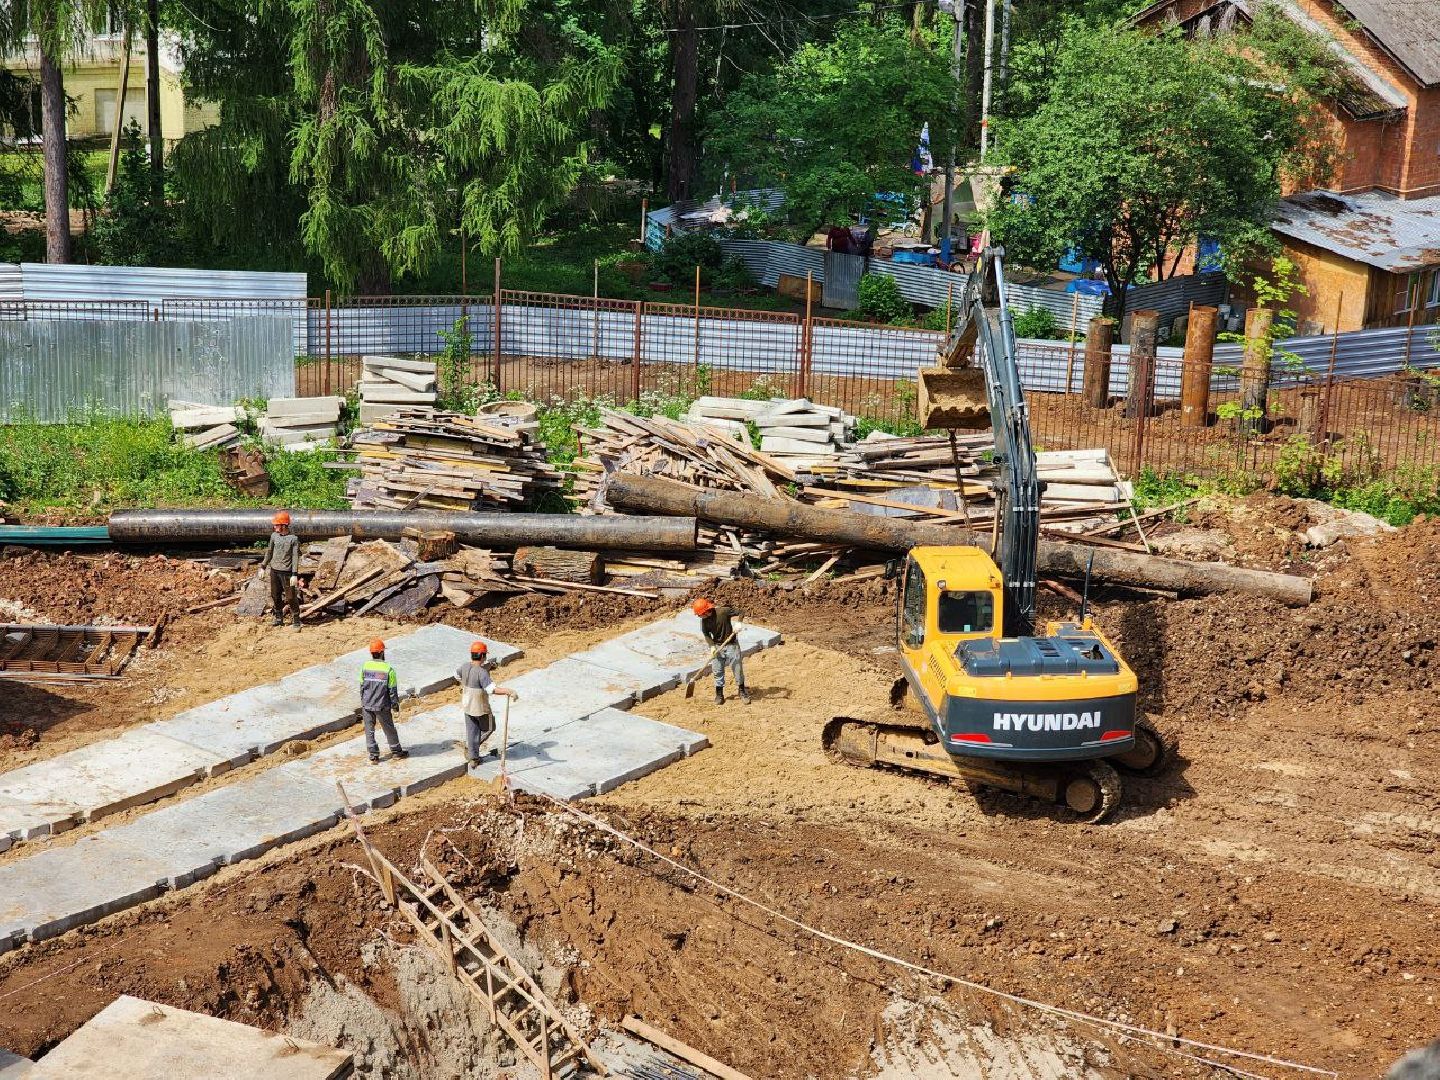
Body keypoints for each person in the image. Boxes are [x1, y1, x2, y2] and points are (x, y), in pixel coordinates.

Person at [456, 640, 518, 768]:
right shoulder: (482, 672)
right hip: (480, 707)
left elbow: (456, 675)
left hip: (467, 705)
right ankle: (472, 747)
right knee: (489, 728)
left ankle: (473, 758)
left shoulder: (465, 666)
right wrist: (509, 691)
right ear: (483, 655)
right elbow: (492, 690)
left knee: (472, 730)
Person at [359, 639, 408, 764]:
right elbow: (392, 690)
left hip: (367, 705)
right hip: (382, 706)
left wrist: (364, 702)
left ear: (372, 653)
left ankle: (374, 756)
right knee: (389, 729)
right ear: (381, 652)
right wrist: (395, 705)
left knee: (369, 730)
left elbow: (362, 686)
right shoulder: (388, 669)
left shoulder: (365, 667)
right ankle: (396, 752)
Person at [693, 598, 750, 705]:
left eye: (699, 614)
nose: (698, 616)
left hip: (732, 645)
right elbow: (706, 635)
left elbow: (741, 611)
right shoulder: (704, 621)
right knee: (717, 670)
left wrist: (739, 623)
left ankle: (742, 691)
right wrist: (712, 646)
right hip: (718, 647)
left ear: (705, 611)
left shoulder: (723, 612)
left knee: (737, 669)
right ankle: (719, 695)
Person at [259, 511, 301, 628]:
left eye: (277, 525)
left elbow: (295, 557)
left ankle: (296, 619)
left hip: (287, 572)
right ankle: (278, 618)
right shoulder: (274, 536)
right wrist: (263, 566)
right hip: (274, 570)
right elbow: (269, 552)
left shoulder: (293, 539)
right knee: (275, 595)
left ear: (284, 525)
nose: (275, 527)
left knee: (291, 596)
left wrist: (294, 574)